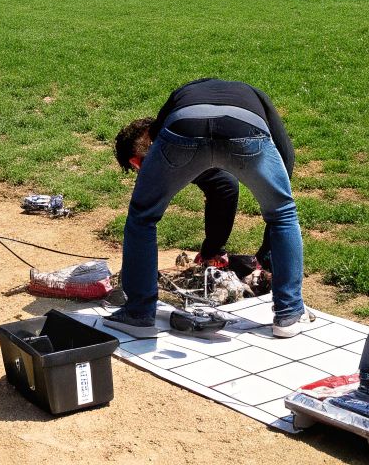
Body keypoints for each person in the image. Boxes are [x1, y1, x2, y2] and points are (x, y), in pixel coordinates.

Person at [106, 78, 312, 338]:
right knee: (283, 215)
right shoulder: (251, 93)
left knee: (142, 217)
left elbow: (159, 137)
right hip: (245, 130)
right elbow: (285, 152)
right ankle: (289, 313)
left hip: (183, 130)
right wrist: (279, 205)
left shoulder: (182, 93)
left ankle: (138, 315)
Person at [113, 108, 295, 273]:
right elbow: (217, 185)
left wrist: (211, 250)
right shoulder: (176, 127)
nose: (144, 173)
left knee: (278, 219)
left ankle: (268, 270)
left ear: (137, 159)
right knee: (279, 213)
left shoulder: (178, 145)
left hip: (260, 136)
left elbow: (224, 185)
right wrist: (212, 248)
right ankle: (266, 267)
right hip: (253, 114)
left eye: (139, 166)